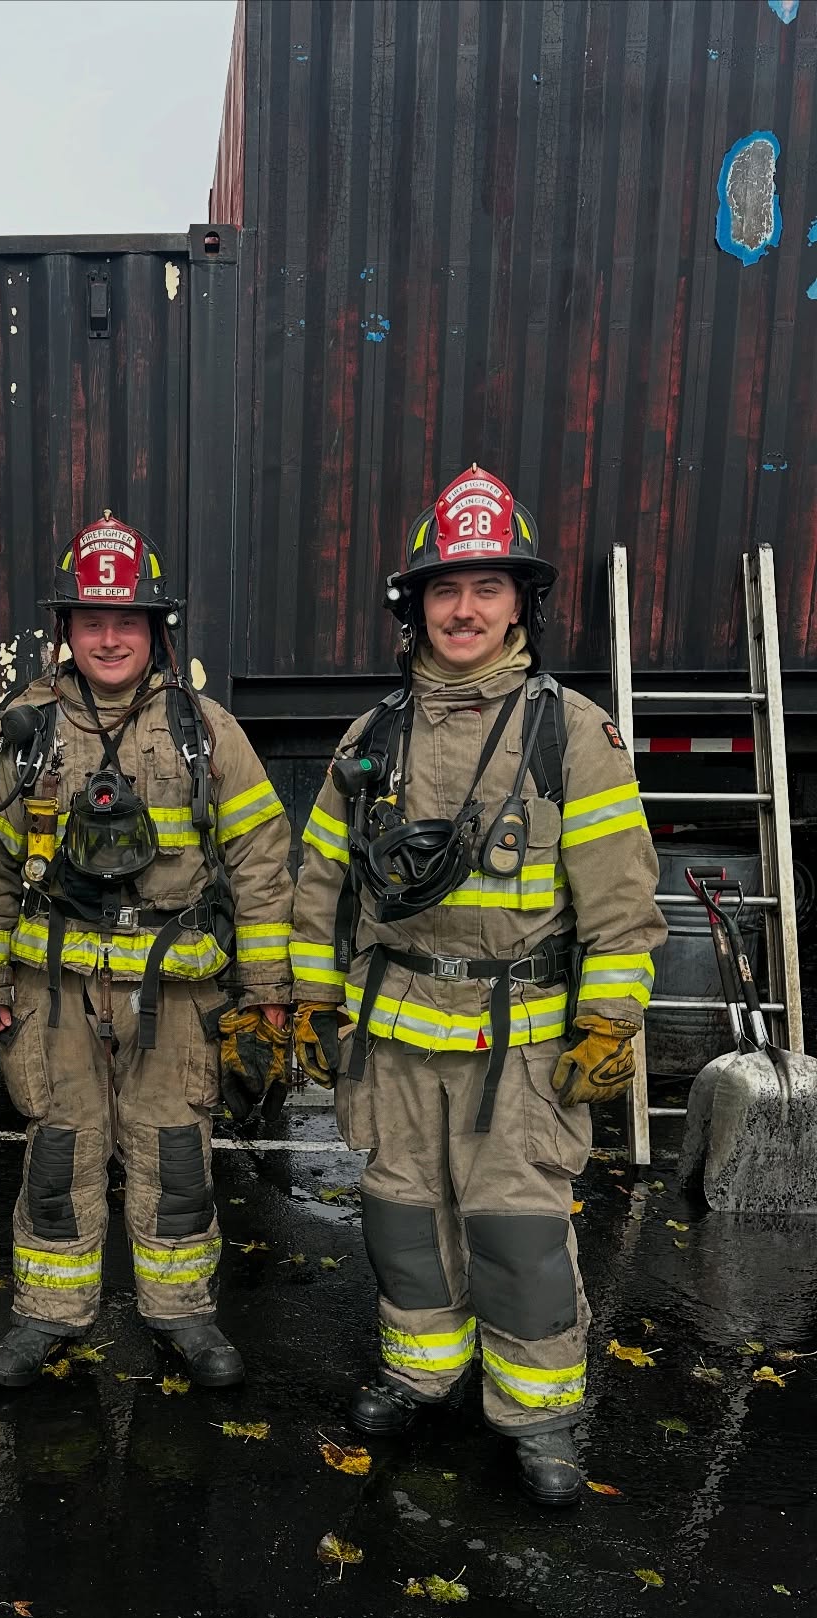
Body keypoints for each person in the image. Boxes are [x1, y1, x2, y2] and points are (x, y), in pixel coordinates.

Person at [290, 465, 665, 1505]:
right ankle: (422, 1375)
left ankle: (539, 1417)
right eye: (444, 590)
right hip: (398, 1034)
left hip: (524, 1044)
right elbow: (319, 882)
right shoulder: (372, 741)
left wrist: (607, 1019)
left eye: (488, 588)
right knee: (403, 1215)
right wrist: (316, 1000)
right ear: (413, 607)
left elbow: (624, 906)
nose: (464, 610)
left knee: (517, 1231)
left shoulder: (571, 735)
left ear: (521, 605)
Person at [0, 512, 293, 1389]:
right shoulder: (25, 728)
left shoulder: (205, 731)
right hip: (54, 990)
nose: (108, 637)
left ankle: (182, 1315)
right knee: (57, 1152)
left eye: (127, 621)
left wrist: (266, 988)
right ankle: (48, 1315)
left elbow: (263, 862)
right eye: (90, 620)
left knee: (175, 1155)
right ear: (65, 630)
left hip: (177, 1000)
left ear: (156, 630)